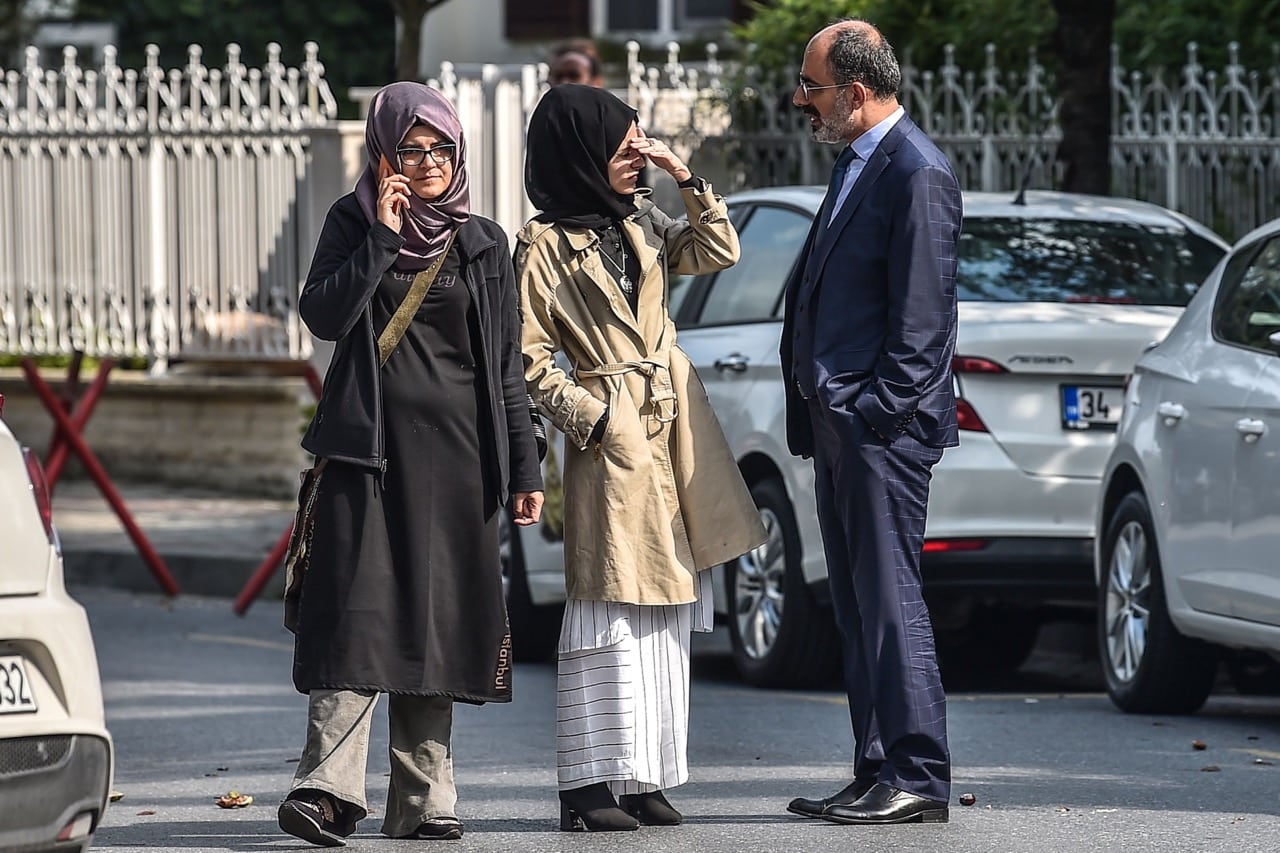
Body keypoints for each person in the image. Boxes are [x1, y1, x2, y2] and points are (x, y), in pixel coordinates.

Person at [278, 81, 544, 846]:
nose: (429, 163)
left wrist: (524, 472)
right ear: (384, 153)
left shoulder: (484, 243)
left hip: (459, 464)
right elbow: (323, 315)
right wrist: (383, 237)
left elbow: (507, 371)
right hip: (367, 454)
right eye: (413, 149)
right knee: (355, 616)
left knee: (436, 623)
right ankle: (326, 791)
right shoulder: (353, 220)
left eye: (441, 148)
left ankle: (424, 798)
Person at [516, 84, 765, 832]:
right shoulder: (544, 245)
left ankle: (645, 774)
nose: (636, 155)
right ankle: (587, 784)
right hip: (613, 434)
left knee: (667, 607)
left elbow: (721, 247)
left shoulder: (643, 220)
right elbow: (526, 358)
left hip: (673, 427)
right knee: (608, 604)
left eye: (639, 141)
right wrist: (592, 421)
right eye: (623, 145)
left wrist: (683, 175)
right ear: (580, 152)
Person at [779, 19, 961, 825]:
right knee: (856, 605)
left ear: (856, 92)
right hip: (841, 423)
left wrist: (870, 413)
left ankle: (917, 772)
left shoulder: (916, 170)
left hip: (878, 431)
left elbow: (921, 324)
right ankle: (876, 765)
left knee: (891, 603)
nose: (801, 99)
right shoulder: (860, 159)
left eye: (813, 87)